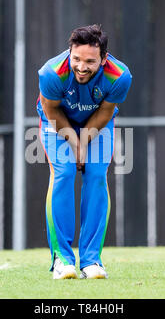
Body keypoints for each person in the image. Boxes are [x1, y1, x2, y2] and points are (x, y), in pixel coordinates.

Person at [37, 24, 132, 279]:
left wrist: (85, 140)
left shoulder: (120, 76)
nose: (81, 66)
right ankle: (62, 260)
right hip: (56, 123)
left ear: (103, 60)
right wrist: (75, 144)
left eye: (90, 61)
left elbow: (105, 112)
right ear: (70, 52)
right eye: (76, 58)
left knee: (96, 176)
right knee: (64, 173)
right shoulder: (51, 73)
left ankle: (92, 261)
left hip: (97, 124)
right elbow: (52, 110)